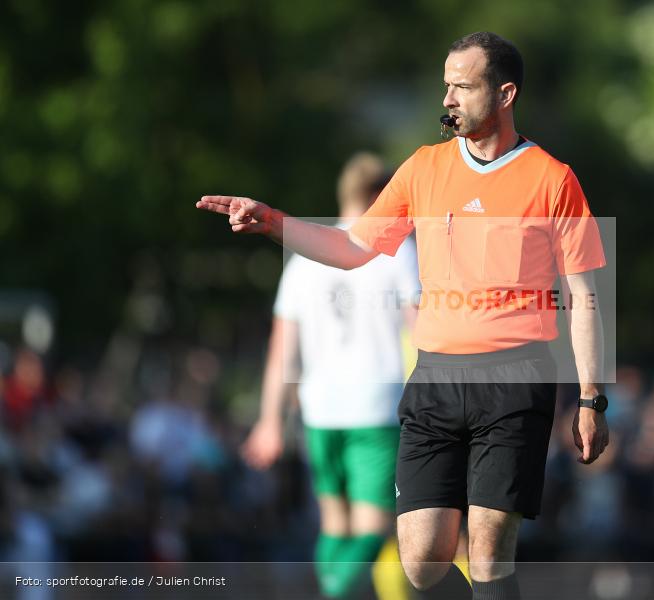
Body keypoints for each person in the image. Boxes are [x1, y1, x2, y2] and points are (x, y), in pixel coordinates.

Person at [198, 31, 610, 600]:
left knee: (489, 549)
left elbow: (586, 297)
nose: (450, 99)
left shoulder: (552, 179)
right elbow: (351, 249)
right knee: (420, 561)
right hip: (435, 379)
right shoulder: (422, 168)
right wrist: (273, 221)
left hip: (515, 378)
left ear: (506, 93)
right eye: (446, 86)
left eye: (463, 87)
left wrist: (590, 399)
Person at [240, 153, 419, 600]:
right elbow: (425, 331)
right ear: (382, 196)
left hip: (320, 410)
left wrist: (269, 422)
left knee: (336, 527)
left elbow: (283, 351)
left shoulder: (303, 261)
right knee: (375, 530)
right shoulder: (395, 251)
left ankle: (335, 589)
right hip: (376, 409)